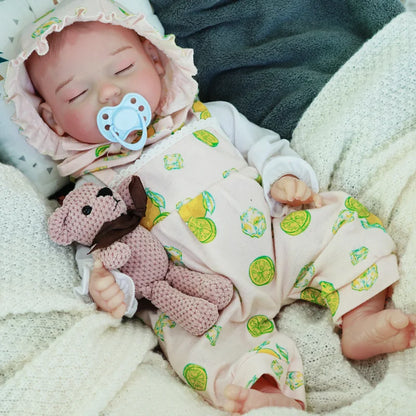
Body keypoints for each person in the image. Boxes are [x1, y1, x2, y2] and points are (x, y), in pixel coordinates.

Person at [5, 0, 416, 413]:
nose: (109, 92)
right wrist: (110, 289)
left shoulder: (211, 117)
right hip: (203, 301)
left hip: (276, 240)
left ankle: (361, 317)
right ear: (53, 120)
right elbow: (99, 252)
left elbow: (267, 147)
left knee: (341, 222)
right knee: (196, 348)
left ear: (155, 61)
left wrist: (284, 177)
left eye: (123, 69)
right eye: (78, 93)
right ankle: (266, 394)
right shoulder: (94, 188)